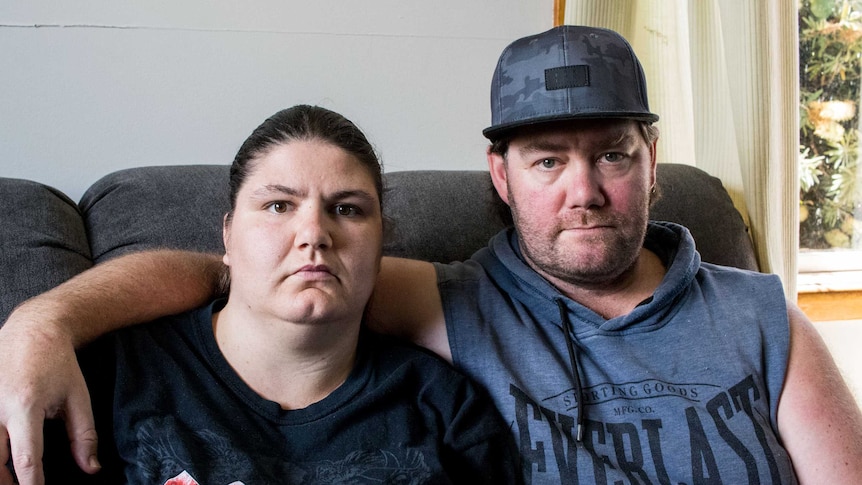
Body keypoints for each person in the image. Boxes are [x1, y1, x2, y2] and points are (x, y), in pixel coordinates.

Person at [2, 25, 861, 484]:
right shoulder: (455, 299)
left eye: (613, 153)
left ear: (653, 159)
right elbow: (239, 282)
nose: (584, 190)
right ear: (499, 173)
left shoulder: (762, 316)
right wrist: (42, 321)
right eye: (548, 160)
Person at [4, 105, 521, 484]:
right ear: (228, 235)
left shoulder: (447, 412)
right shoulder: (112, 375)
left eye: (348, 209)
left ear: (383, 240)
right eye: (278, 206)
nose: (313, 233)